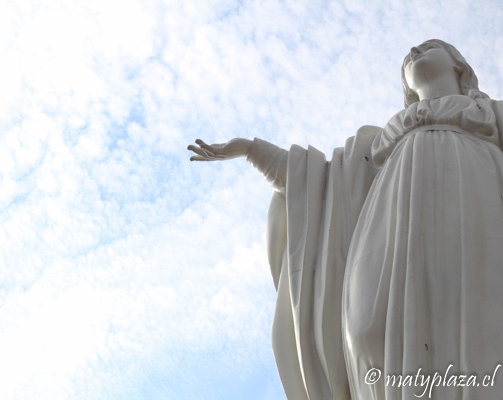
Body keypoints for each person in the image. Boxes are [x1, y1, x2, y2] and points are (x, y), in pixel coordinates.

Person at [188, 39, 503, 400]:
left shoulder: (490, 113)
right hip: (388, 236)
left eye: (429, 47)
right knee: (367, 331)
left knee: (481, 319)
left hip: (477, 213)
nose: (414, 51)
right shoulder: (379, 143)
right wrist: (250, 149)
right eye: (409, 55)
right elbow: (319, 185)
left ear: (458, 65)